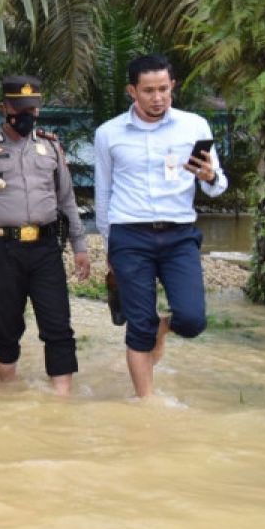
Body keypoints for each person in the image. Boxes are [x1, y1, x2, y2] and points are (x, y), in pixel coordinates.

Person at [94, 54, 227, 398]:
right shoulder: (108, 134)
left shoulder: (194, 126)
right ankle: (147, 403)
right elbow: (103, 192)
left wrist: (210, 176)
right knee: (139, 326)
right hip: (129, 235)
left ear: (173, 87)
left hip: (180, 235)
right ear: (132, 91)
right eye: (149, 90)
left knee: (193, 320)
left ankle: (163, 327)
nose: (157, 98)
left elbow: (218, 184)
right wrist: (111, 247)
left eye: (164, 89)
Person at [0, 76, 90, 395]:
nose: (27, 114)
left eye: (32, 107)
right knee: (5, 328)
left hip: (45, 249)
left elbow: (67, 200)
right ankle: (8, 392)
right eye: (19, 107)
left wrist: (80, 246)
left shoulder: (51, 146)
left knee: (58, 326)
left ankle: (61, 401)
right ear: (4, 108)